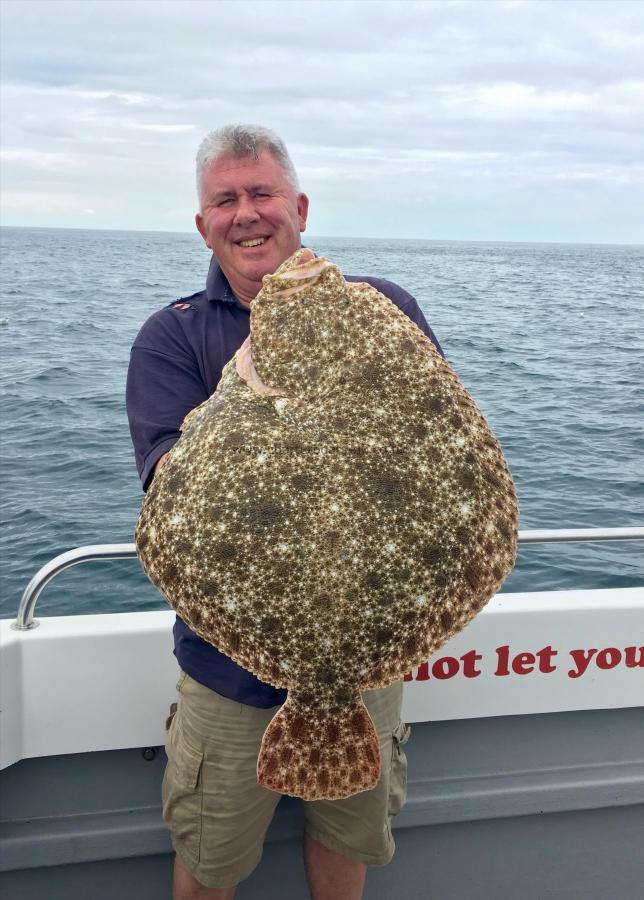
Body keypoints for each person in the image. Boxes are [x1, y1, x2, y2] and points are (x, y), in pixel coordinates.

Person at [126, 124, 444, 900]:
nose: (247, 213)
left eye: (261, 193)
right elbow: (168, 489)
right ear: (204, 224)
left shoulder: (383, 308)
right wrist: (241, 398)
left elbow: (440, 449)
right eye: (225, 200)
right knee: (210, 863)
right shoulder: (172, 336)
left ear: (298, 206)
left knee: (346, 845)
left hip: (365, 662)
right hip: (226, 674)